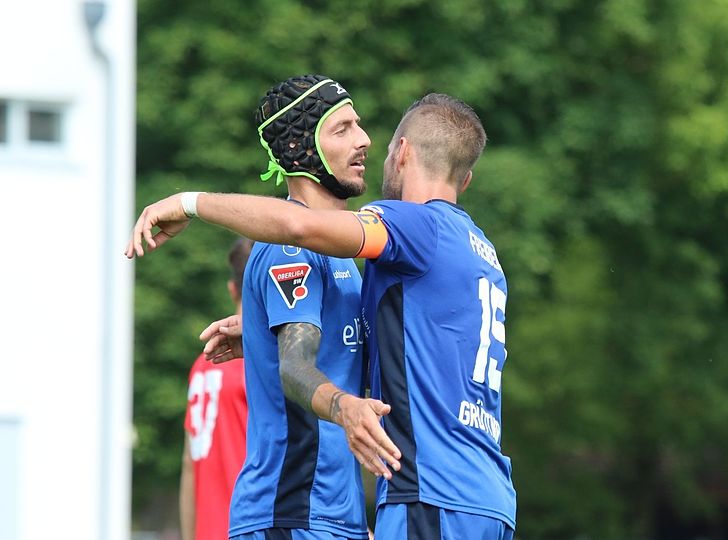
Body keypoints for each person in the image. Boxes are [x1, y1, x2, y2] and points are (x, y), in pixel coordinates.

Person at [127, 93, 516, 539]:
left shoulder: (414, 225)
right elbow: (415, 353)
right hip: (488, 496)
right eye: (345, 128)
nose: (365, 142)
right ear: (466, 179)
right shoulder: (481, 251)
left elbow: (298, 226)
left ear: (403, 152)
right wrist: (264, 334)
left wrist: (188, 202)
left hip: (431, 495)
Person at [182, 74, 399, 540]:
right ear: (301, 148)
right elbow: (294, 367)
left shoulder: (341, 254)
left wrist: (257, 334)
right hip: (290, 513)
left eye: (358, 125)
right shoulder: (290, 250)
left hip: (335, 517)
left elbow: (333, 353)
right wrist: (345, 407)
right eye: (342, 129)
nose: (364, 140)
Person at [180, 237, 253, 540]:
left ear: (232, 289)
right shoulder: (258, 360)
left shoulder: (203, 363)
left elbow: (189, 464)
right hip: (251, 527)